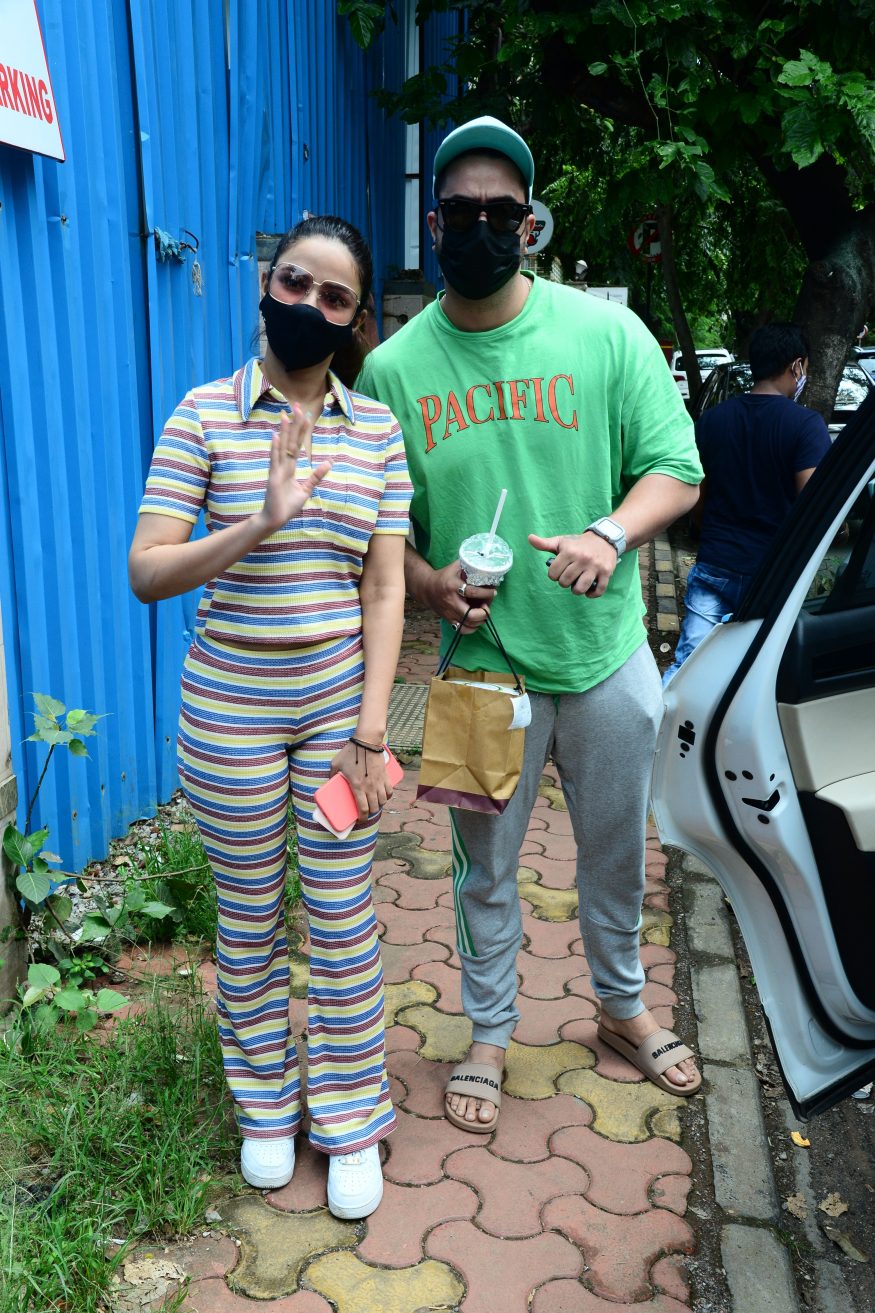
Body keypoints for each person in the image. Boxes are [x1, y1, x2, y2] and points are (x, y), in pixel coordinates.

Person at [356, 117, 704, 1131]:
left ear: (530, 224)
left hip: (603, 658)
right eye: (457, 212)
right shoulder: (395, 372)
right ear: (432, 223)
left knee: (612, 848)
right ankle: (490, 1032)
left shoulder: (603, 335)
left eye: (497, 213)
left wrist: (608, 528)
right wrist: (426, 585)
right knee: (481, 867)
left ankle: (621, 1009)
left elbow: (674, 470)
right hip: (479, 668)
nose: (476, 227)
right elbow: (385, 542)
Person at [128, 216, 412, 1218]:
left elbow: (385, 589)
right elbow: (148, 568)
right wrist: (257, 520)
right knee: (247, 920)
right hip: (227, 716)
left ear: (354, 321)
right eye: (296, 284)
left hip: (338, 714)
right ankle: (263, 1103)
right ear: (266, 283)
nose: (309, 308)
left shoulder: (373, 430)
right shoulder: (202, 415)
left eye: (334, 299)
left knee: (340, 919)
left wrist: (372, 728)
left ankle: (344, 1111)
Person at [663, 323, 831, 682]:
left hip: (715, 564)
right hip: (772, 575)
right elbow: (815, 505)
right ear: (796, 366)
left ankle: (660, 734)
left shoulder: (712, 420)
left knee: (688, 667)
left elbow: (697, 498)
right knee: (761, 674)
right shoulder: (806, 426)